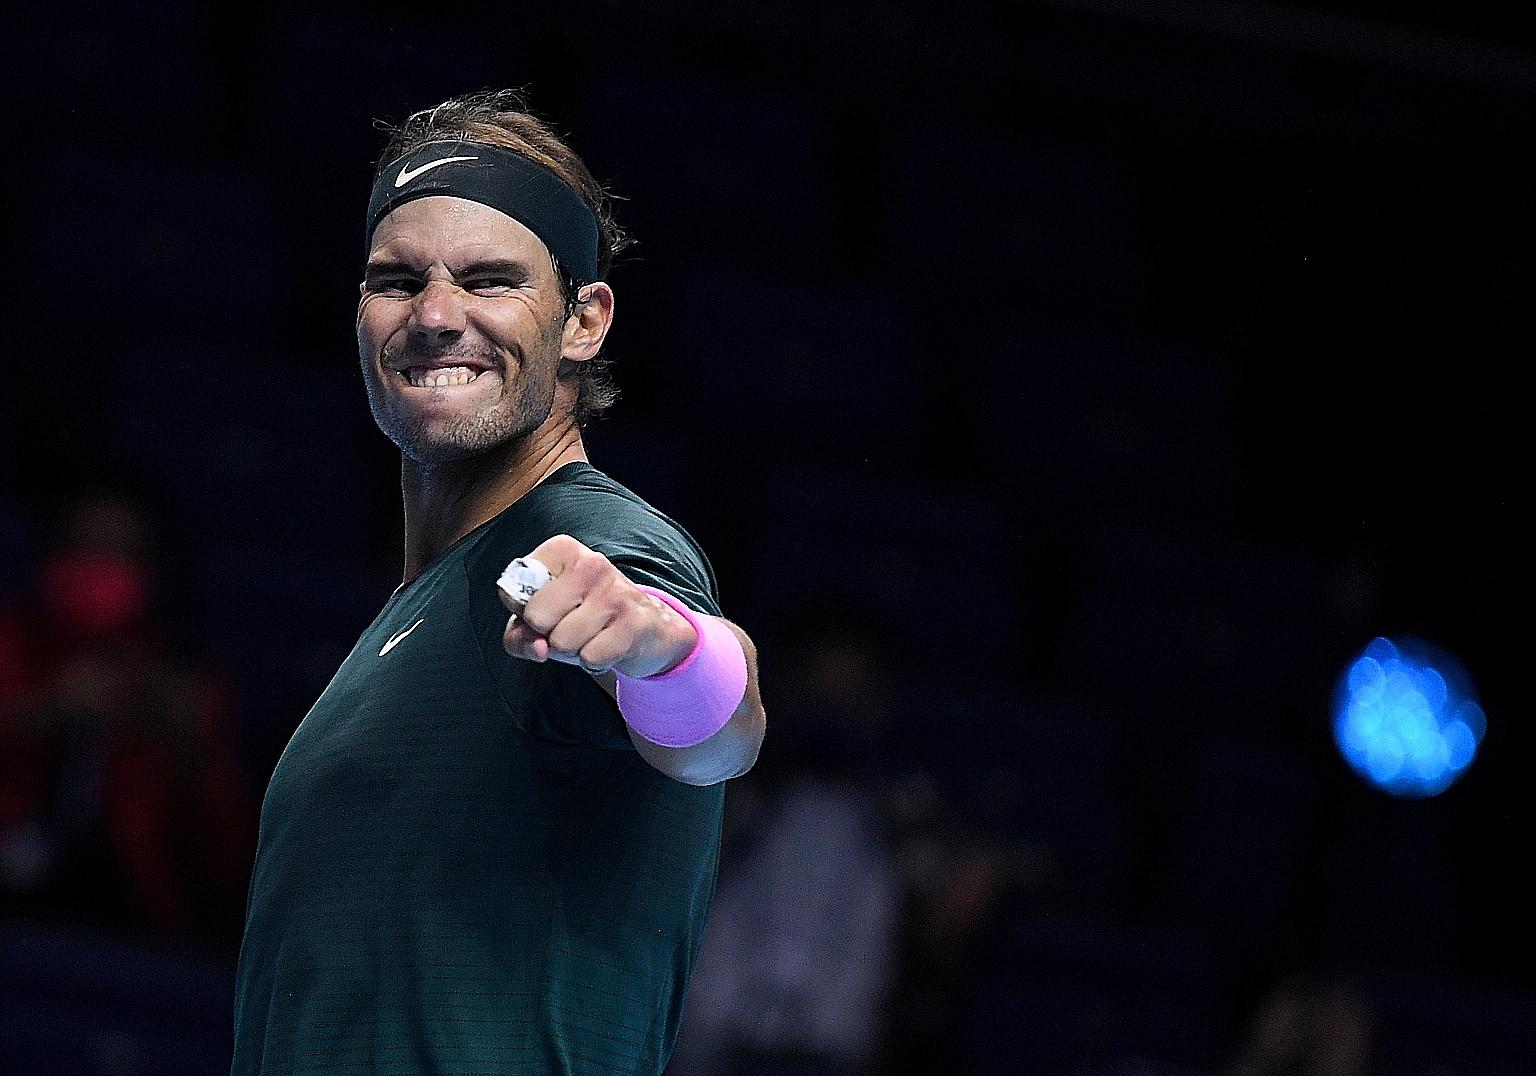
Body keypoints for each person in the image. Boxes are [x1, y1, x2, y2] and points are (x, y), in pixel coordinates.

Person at [230, 90, 768, 1076]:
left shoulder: (589, 541)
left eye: (488, 279)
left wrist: (670, 646)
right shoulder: (424, 603)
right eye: (397, 280)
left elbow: (715, 732)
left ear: (582, 319)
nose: (436, 316)